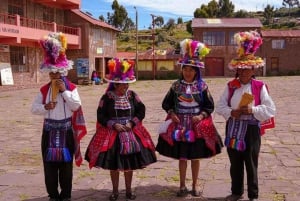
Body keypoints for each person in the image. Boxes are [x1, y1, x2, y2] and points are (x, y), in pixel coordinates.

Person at [156, 39, 223, 198]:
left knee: (195, 157)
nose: (187, 72)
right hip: (180, 125)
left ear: (196, 71)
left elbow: (209, 106)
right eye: (185, 69)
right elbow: (166, 103)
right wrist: (172, 114)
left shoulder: (202, 87)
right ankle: (182, 185)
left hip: (196, 126)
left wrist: (200, 116)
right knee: (182, 157)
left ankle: (194, 184)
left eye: (191, 70)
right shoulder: (175, 86)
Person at [215, 30, 276, 201]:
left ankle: (253, 195)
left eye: (247, 69)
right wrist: (231, 112)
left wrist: (253, 110)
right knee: (235, 163)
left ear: (253, 69)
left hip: (251, 130)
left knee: (251, 162)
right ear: (237, 69)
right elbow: (220, 106)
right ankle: (236, 191)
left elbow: (270, 109)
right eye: (240, 69)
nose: (243, 72)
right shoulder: (231, 86)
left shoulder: (259, 86)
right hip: (233, 127)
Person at [85, 58, 157, 201]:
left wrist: (132, 123)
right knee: (114, 165)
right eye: (123, 85)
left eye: (127, 84)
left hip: (131, 132)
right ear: (116, 84)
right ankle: (115, 191)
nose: (125, 87)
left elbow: (141, 111)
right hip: (112, 134)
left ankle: (129, 191)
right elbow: (100, 115)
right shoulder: (107, 98)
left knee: (129, 164)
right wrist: (113, 124)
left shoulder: (133, 96)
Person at [31, 32, 87, 201]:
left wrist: (64, 92)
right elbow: (34, 109)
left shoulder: (72, 88)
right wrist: (45, 107)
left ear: (63, 73)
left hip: (66, 132)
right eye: (51, 74)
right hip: (49, 133)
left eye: (57, 74)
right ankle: (53, 195)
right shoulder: (43, 90)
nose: (54, 77)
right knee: (49, 167)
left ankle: (66, 195)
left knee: (66, 168)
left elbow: (76, 106)